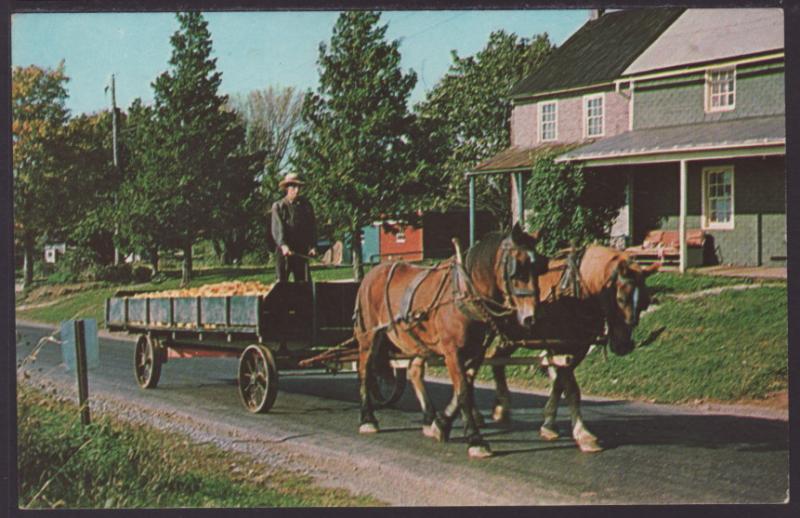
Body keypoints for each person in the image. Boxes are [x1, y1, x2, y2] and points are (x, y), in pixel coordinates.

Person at [271, 173, 317, 282]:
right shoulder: (278, 206)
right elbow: (277, 228)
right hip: (284, 252)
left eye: (299, 187)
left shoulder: (306, 206)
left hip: (300, 251)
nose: (297, 190)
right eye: (293, 187)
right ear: (287, 188)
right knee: (281, 285)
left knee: (304, 284)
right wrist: (283, 245)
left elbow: (311, 228)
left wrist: (312, 246)